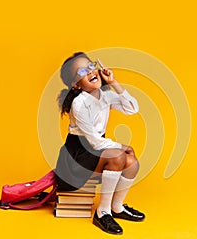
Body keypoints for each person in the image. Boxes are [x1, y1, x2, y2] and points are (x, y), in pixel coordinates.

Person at [55, 52, 145, 235]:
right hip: (77, 156)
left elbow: (133, 108)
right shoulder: (79, 104)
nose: (90, 72)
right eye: (82, 71)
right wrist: (120, 146)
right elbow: (94, 142)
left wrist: (114, 83)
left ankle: (117, 207)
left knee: (132, 162)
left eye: (91, 66)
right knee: (119, 156)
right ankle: (102, 212)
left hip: (95, 149)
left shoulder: (105, 96)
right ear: (76, 85)